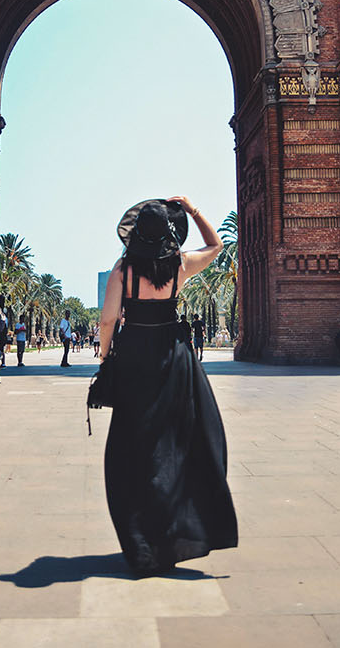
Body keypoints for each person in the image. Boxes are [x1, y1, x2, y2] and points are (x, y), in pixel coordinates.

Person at [100, 195, 236, 576]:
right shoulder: (180, 264)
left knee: (133, 449)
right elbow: (216, 245)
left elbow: (109, 320)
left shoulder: (122, 270)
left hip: (134, 356)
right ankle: (175, 532)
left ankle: (142, 540)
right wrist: (193, 210)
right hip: (173, 356)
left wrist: (105, 358)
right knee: (179, 442)